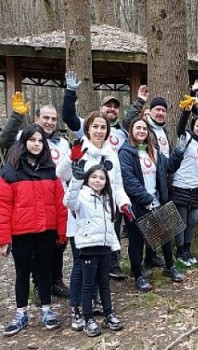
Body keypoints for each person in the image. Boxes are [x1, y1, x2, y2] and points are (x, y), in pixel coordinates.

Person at [57, 111, 131, 329]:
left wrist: (124, 203)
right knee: (81, 266)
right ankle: (77, 308)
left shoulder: (111, 154)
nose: (99, 131)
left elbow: (117, 186)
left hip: (104, 218)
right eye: (95, 127)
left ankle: (95, 303)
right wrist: (72, 157)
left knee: (100, 265)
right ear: (88, 128)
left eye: (103, 127)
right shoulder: (80, 150)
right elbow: (61, 173)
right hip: (80, 216)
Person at [0, 93, 72, 301]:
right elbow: (5, 141)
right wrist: (16, 116)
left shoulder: (62, 142)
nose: (49, 122)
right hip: (28, 207)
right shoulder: (25, 135)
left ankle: (55, 281)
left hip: (55, 203)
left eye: (53, 119)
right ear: (37, 119)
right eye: (46, 118)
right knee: (32, 256)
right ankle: (39, 286)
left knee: (56, 249)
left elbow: (65, 175)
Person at [0, 124, 67, 336]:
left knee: (44, 271)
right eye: (32, 140)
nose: (36, 144)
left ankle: (47, 310)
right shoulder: (10, 171)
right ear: (24, 142)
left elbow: (59, 203)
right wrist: (4, 238)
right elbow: (3, 206)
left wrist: (62, 231)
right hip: (21, 232)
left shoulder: (50, 170)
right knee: (22, 273)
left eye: (40, 141)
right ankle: (21, 313)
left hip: (46, 230)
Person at [119, 117, 184, 292]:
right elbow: (128, 180)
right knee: (136, 241)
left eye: (144, 129)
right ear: (131, 130)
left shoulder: (153, 151)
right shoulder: (125, 152)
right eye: (138, 128)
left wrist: (178, 152)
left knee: (166, 236)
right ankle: (138, 275)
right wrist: (145, 198)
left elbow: (168, 167)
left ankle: (169, 267)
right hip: (136, 204)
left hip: (157, 201)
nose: (141, 131)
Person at [63, 164, 123, 337]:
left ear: (106, 182)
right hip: (88, 247)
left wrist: (114, 246)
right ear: (88, 178)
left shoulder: (107, 198)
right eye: (94, 177)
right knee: (88, 284)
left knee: (104, 283)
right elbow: (68, 202)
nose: (98, 180)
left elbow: (110, 225)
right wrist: (76, 180)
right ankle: (88, 318)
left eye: (102, 178)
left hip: (104, 246)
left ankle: (108, 313)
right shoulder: (81, 196)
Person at [170, 101, 198, 267]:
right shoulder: (186, 138)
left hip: (196, 187)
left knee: (193, 220)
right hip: (181, 184)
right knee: (181, 220)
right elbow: (180, 129)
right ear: (193, 127)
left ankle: (188, 248)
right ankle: (179, 250)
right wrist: (187, 112)